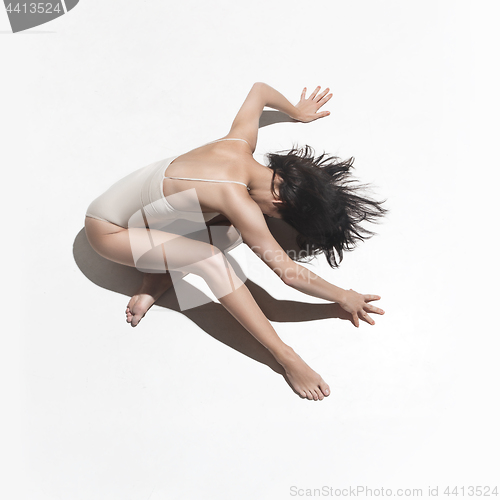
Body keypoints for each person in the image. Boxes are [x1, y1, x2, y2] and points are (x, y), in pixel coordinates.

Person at [84, 82, 387, 401]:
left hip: (141, 216)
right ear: (280, 201)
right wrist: (344, 296)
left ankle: (159, 276)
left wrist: (296, 111)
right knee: (210, 259)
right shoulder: (237, 200)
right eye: (278, 217)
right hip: (107, 231)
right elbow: (287, 272)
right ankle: (286, 358)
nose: (270, 219)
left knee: (230, 229)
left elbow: (259, 91)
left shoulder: (240, 142)